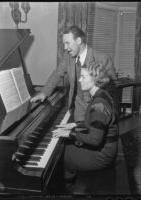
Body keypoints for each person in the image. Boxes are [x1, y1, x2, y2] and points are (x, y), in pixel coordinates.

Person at [52, 60, 119, 193]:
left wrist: (69, 134)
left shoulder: (99, 104)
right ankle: (69, 179)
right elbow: (94, 122)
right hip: (106, 148)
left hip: (103, 155)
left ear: (94, 79)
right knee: (63, 147)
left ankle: (65, 188)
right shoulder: (101, 94)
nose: (79, 80)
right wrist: (75, 124)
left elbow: (95, 140)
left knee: (60, 156)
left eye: (83, 77)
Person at [31, 25, 117, 122]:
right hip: (78, 108)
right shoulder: (68, 57)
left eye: (67, 43)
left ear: (79, 41)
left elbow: (112, 89)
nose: (65, 47)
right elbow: (57, 74)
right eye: (64, 44)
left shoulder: (102, 58)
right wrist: (44, 93)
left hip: (97, 109)